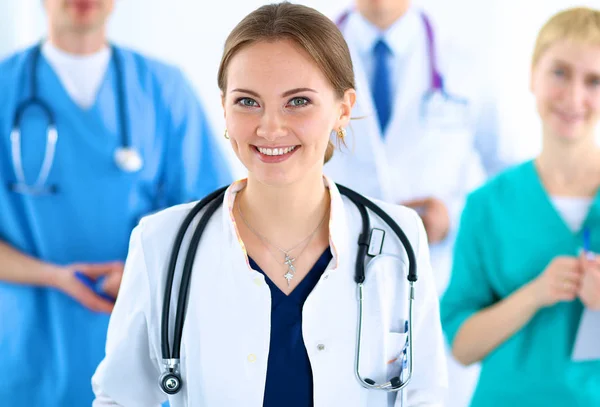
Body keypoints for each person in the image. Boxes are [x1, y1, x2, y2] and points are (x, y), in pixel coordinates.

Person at [91, 3, 447, 406]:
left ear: (343, 110)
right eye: (247, 101)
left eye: (298, 101)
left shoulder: (397, 239)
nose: (270, 127)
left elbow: (425, 395)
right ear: (224, 108)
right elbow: (119, 399)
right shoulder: (162, 244)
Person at [0, 0, 232, 406]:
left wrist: (141, 276)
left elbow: (214, 220)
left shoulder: (164, 88)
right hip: (28, 347)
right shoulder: (5, 88)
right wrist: (55, 276)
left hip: (143, 335)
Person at [325, 1, 507, 405]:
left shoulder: (465, 59)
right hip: (332, 279)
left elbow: (510, 182)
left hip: (436, 283)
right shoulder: (309, 53)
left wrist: (454, 218)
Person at [441, 7, 600, 406]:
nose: (575, 96)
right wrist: (534, 294)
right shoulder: (487, 206)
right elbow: (461, 346)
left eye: (594, 81)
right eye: (559, 72)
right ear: (532, 75)